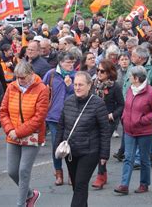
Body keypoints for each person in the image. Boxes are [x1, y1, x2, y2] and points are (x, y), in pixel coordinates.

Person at [55, 71, 110, 207]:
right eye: (75, 85)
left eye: (81, 85)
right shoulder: (68, 102)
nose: (77, 87)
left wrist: (104, 154)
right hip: (71, 152)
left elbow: (105, 130)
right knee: (77, 186)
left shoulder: (98, 104)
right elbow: (61, 126)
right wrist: (56, 148)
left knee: (80, 184)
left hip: (89, 152)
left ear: (89, 85)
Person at [0, 61, 49, 207]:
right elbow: (3, 111)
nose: (20, 81)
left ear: (31, 74)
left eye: (23, 77)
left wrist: (18, 132)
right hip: (13, 134)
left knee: (23, 170)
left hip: (32, 135)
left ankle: (21, 204)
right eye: (18, 77)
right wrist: (10, 130)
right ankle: (30, 194)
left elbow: (39, 117)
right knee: (12, 171)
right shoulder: (11, 87)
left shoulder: (42, 89)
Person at [113, 66, 152, 195]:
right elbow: (127, 107)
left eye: (131, 76)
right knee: (128, 158)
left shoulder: (151, 93)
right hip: (129, 130)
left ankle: (144, 184)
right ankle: (124, 185)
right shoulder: (130, 89)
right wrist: (124, 118)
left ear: (137, 78)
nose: (128, 77)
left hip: (145, 132)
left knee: (144, 159)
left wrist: (142, 120)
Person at [43, 52, 76, 186]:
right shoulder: (51, 74)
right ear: (61, 63)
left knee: (71, 146)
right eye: (68, 62)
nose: (71, 65)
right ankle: (58, 172)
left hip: (71, 116)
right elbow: (41, 90)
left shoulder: (75, 75)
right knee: (57, 147)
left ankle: (71, 173)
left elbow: (80, 94)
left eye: (72, 62)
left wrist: (70, 86)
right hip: (54, 116)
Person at [92, 59, 124, 189]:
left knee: (102, 146)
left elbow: (121, 105)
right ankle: (103, 173)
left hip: (108, 121)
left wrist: (112, 115)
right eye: (97, 70)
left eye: (102, 71)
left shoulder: (115, 87)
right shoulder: (93, 84)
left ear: (109, 72)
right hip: (94, 120)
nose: (99, 73)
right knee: (94, 146)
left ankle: (100, 175)